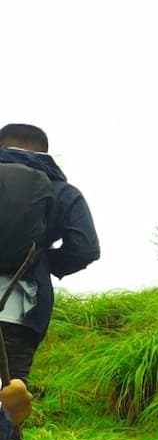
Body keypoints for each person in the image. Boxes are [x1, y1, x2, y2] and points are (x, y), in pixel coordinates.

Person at [0, 124, 100, 382]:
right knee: (8, 401)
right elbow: (85, 248)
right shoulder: (62, 191)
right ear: (45, 152)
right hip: (19, 314)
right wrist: (41, 261)